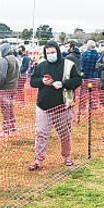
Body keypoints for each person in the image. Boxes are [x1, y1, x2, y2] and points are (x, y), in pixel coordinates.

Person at [28, 40, 82, 170]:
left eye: (53, 52)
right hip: (43, 106)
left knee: (65, 134)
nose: (51, 54)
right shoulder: (41, 66)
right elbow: (33, 81)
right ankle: (38, 160)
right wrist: (42, 81)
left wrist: (63, 84)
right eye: (48, 53)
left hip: (62, 107)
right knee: (41, 133)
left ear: (57, 51)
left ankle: (67, 157)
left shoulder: (68, 65)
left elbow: (77, 80)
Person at [0, 42, 19, 137]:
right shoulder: (15, 59)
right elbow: (18, 74)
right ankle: (12, 128)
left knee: (5, 109)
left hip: (5, 88)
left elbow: (3, 75)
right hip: (13, 87)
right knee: (11, 108)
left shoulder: (4, 60)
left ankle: (5, 130)